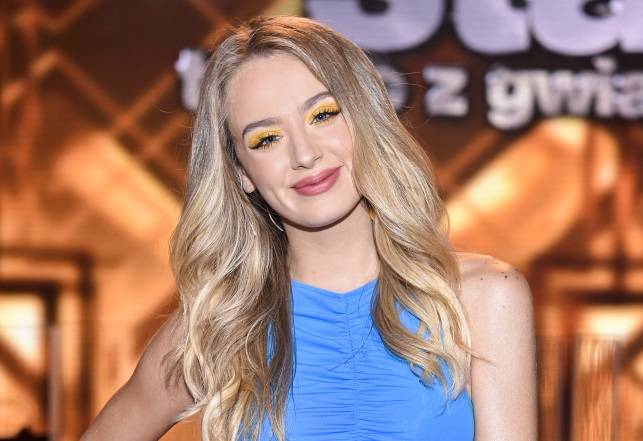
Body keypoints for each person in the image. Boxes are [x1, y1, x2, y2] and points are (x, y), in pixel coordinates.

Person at [81, 15, 538, 441]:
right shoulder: (219, 324)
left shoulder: (482, 297)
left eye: (322, 115)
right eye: (266, 139)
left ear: (364, 120)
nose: (304, 154)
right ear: (241, 172)